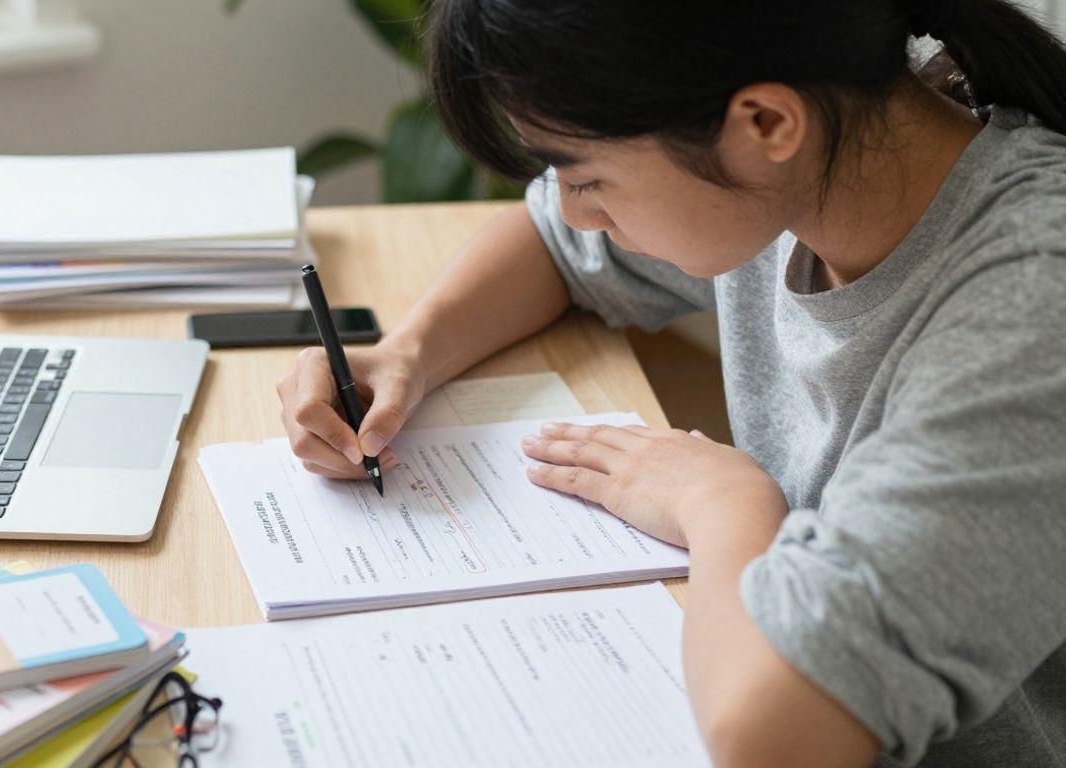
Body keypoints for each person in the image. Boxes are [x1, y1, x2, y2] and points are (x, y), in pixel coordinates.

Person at [276, 1, 1066, 765]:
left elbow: (776, 739)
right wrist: (407, 354)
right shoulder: (818, 158)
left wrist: (723, 503)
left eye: (587, 179)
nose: (579, 212)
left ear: (764, 125)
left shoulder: (1029, 306)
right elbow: (552, 243)